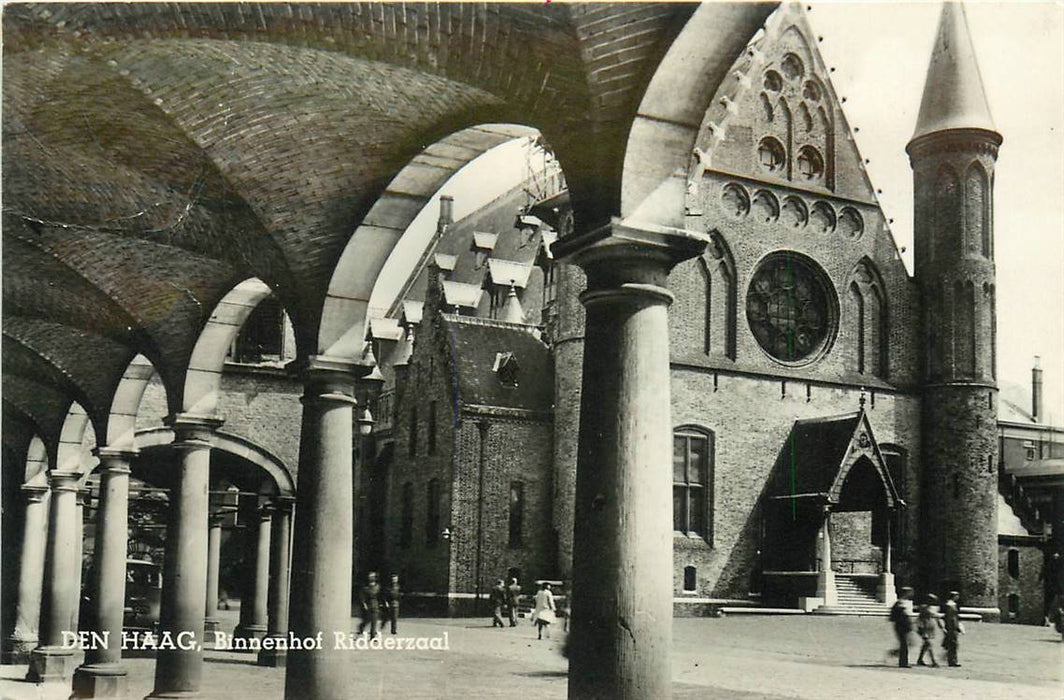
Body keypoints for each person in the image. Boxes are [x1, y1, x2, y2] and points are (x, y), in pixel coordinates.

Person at [889, 586, 914, 668]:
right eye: (909, 592)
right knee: (905, 644)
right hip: (901, 627)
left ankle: (897, 655)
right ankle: (903, 662)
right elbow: (900, 616)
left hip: (905, 627)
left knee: (907, 644)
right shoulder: (900, 603)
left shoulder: (905, 602)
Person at [916, 594, 942, 667]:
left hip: (930, 628)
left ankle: (920, 659)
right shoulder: (923, 608)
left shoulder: (934, 608)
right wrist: (919, 627)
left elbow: (937, 618)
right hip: (924, 628)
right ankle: (933, 661)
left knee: (926, 645)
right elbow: (919, 618)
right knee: (929, 644)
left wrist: (941, 627)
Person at [942, 591, 964, 667]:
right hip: (952, 627)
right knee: (953, 644)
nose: (958, 597)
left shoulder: (952, 605)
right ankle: (952, 661)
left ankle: (952, 660)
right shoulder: (950, 605)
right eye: (957, 596)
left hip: (953, 626)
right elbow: (950, 618)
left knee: (953, 644)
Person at [358, 571, 381, 639]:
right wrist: (364, 604)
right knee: (366, 621)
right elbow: (362, 597)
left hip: (375, 606)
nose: (371, 578)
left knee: (374, 621)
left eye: (373, 577)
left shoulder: (378, 587)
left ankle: (372, 636)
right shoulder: (366, 588)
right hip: (368, 606)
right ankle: (361, 627)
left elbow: (380, 596)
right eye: (370, 577)